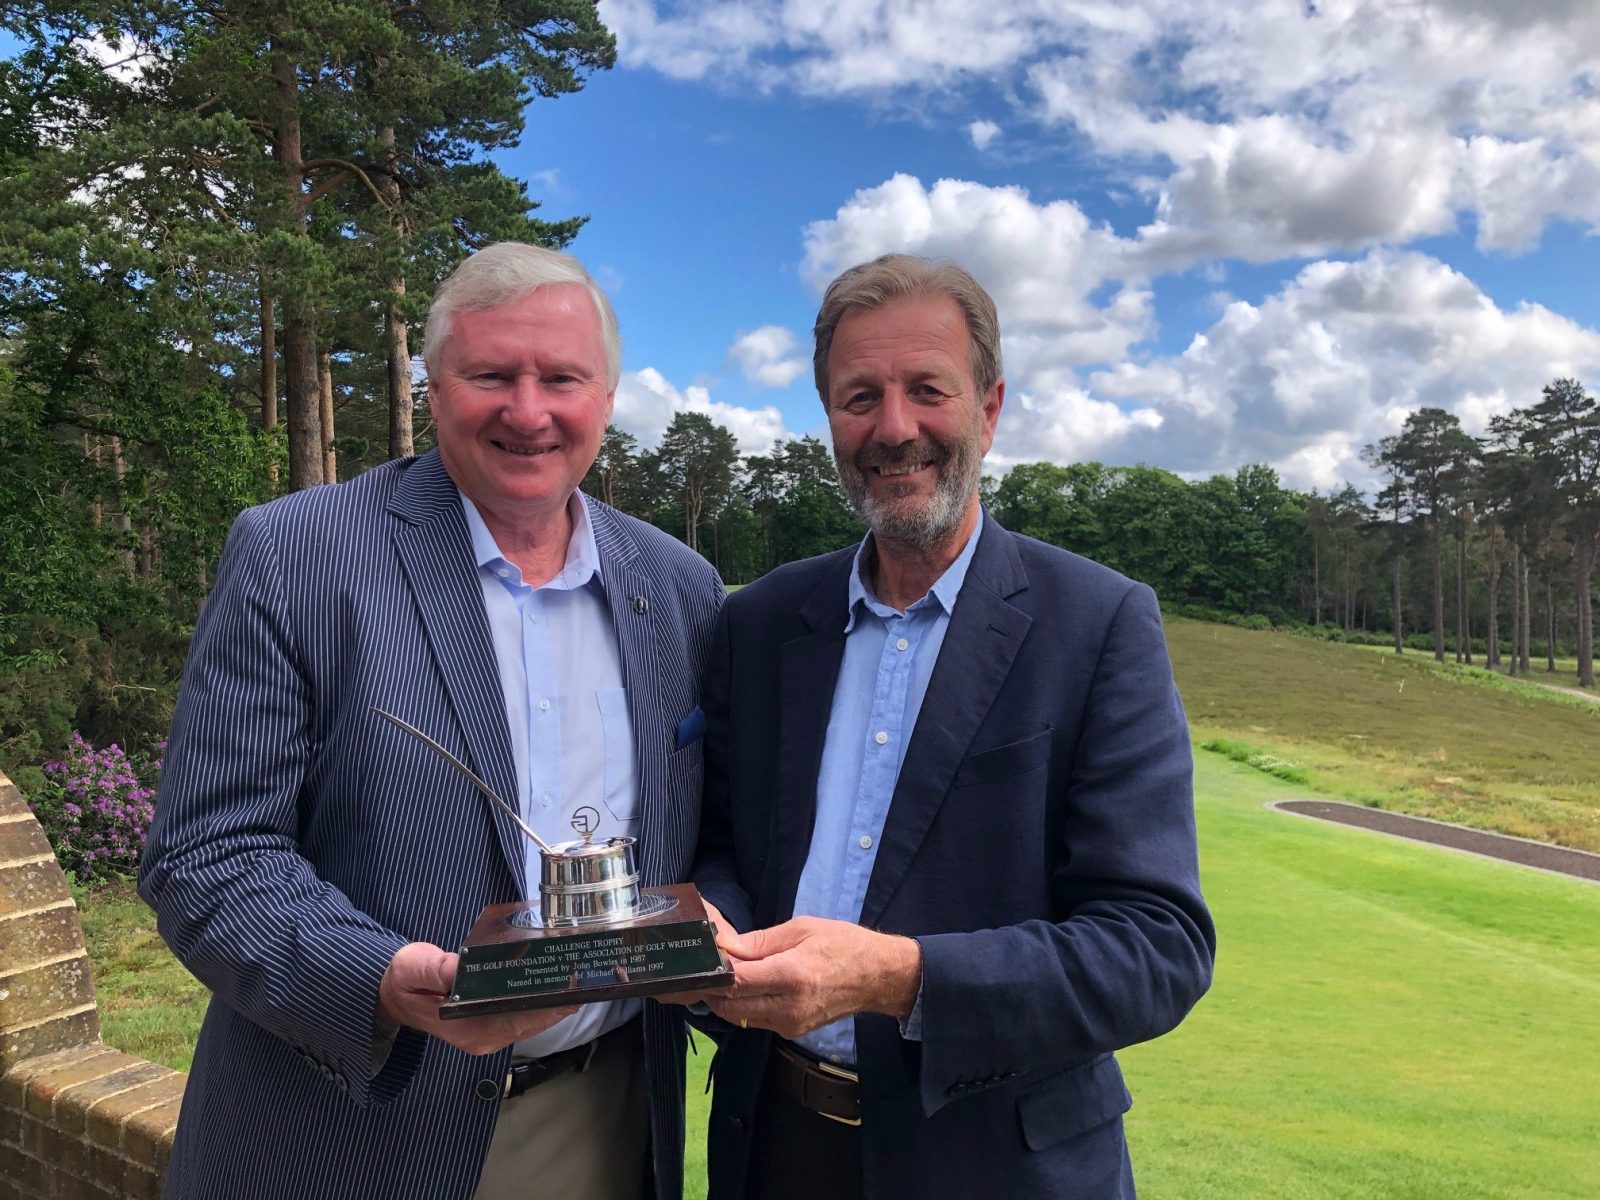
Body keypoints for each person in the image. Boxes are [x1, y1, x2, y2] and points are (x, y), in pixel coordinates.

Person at [139, 243, 721, 1200]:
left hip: (605, 1121)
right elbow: (206, 855)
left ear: (607, 398)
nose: (528, 411)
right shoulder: (297, 557)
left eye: (562, 379)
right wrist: (379, 975)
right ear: (434, 387)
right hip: (346, 1131)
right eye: (491, 374)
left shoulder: (680, 586)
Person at [686, 254, 1215, 1199]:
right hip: (772, 1149)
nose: (894, 429)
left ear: (989, 406)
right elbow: (723, 842)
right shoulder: (762, 622)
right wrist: (716, 931)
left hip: (998, 1166)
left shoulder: (1097, 624)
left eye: (926, 390)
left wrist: (899, 975)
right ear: (830, 419)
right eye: (859, 398)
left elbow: (1156, 948)